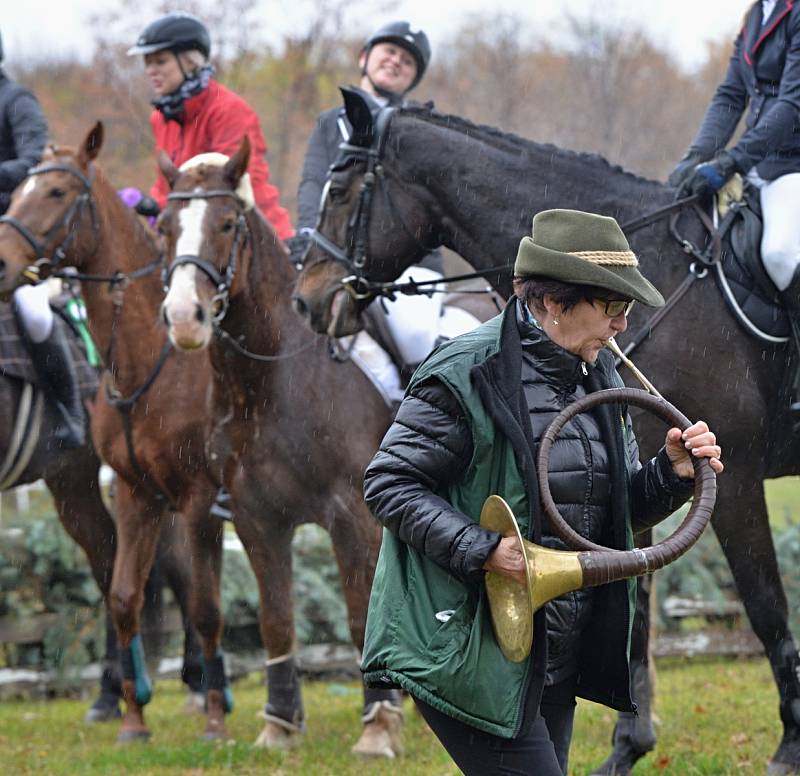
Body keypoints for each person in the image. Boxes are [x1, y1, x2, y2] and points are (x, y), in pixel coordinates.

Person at [360, 209, 724, 775]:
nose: (622, 326)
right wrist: (484, 548)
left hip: (550, 651)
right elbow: (388, 483)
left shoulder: (599, 375)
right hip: (469, 642)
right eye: (612, 307)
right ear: (554, 302)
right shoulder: (466, 371)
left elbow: (608, 516)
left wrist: (670, 473)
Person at [293, 22, 444, 388]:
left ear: (412, 78)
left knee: (415, 336)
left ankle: (411, 420)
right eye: (389, 52)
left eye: (407, 61)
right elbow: (314, 184)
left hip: (408, 266)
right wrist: (310, 235)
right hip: (335, 255)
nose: (396, 61)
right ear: (365, 57)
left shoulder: (419, 128)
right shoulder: (330, 123)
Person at [668, 0, 800, 412]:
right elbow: (730, 96)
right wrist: (696, 157)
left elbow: (792, 105)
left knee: (779, 253)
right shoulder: (757, 15)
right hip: (759, 166)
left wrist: (730, 161)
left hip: (793, 166)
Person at [128, 12, 294, 241]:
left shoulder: (227, 109)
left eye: (160, 61)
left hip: (253, 234)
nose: (151, 70)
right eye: (147, 63)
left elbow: (235, 183)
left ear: (189, 62)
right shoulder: (161, 118)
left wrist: (168, 206)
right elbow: (165, 184)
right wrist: (151, 204)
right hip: (193, 229)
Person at [0, 30, 84, 448]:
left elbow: (36, 162)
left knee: (33, 312)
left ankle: (69, 413)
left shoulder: (17, 100)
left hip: (17, 233)